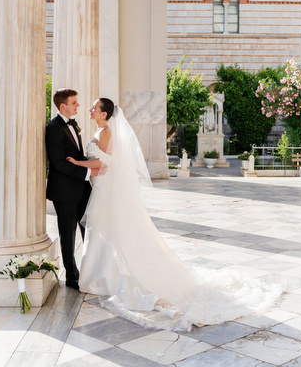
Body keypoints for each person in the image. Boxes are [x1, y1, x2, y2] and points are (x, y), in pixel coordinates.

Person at [67, 98, 281, 331]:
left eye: (94, 108)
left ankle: (112, 277)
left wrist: (79, 162)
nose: (90, 109)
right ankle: (105, 274)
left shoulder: (106, 132)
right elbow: (105, 164)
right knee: (106, 232)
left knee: (112, 231)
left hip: (107, 190)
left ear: (105, 114)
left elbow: (105, 160)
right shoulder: (101, 130)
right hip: (102, 186)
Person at [45, 88, 103, 290]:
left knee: (90, 229)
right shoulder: (53, 127)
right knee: (67, 235)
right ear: (63, 106)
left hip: (82, 188)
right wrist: (88, 173)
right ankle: (72, 277)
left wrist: (95, 164)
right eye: (74, 102)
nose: (78, 105)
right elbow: (59, 163)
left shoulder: (74, 124)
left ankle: (91, 271)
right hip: (64, 191)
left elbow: (76, 158)